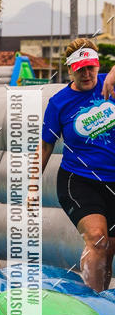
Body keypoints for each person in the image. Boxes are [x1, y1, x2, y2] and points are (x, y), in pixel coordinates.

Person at [39, 39, 115, 291]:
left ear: (98, 65)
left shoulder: (110, 83)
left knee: (109, 250)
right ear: (70, 69)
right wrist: (28, 185)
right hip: (78, 179)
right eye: (80, 69)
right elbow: (46, 146)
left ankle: (102, 303)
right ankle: (91, 302)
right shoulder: (59, 103)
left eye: (91, 67)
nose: (86, 74)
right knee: (97, 239)